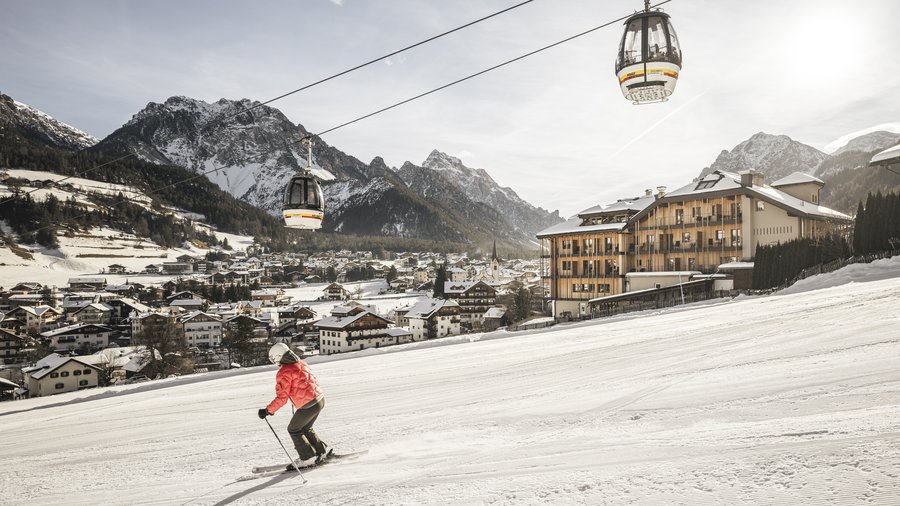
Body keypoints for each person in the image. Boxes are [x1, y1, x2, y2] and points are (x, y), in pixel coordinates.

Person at [258, 343, 331, 469]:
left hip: (308, 405)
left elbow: (282, 398)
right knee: (306, 427)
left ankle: (307, 458)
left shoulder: (284, 372)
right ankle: (320, 452)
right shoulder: (301, 363)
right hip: (319, 399)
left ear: (278, 357)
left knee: (294, 429)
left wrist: (267, 411)